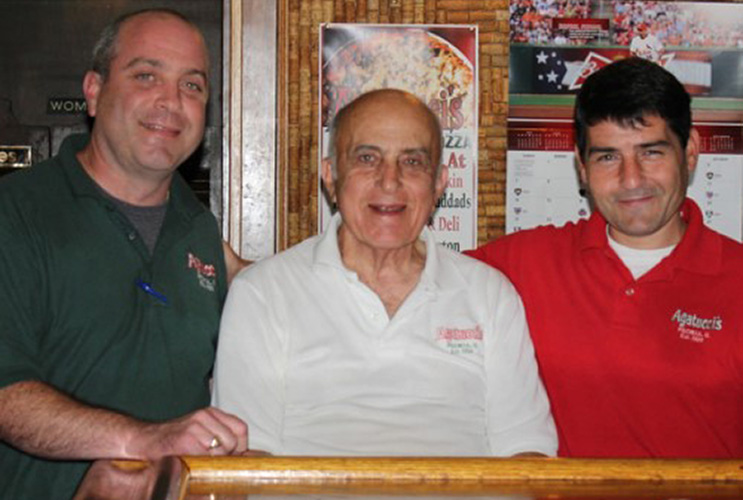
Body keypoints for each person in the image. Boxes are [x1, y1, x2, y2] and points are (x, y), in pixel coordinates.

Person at [212, 89, 557, 457]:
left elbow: (527, 451)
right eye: (366, 158)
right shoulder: (263, 293)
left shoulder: (489, 293)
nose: (390, 181)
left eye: (412, 162)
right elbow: (246, 461)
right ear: (331, 176)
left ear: (439, 182)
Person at [0, 9, 247, 499]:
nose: (171, 102)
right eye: (146, 75)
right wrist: (140, 440)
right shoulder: (17, 212)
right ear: (94, 90)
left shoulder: (200, 233)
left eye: (192, 85)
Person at [468, 57, 743, 457]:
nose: (631, 179)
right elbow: (411, 273)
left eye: (651, 152)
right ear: (582, 167)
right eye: (608, 157)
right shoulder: (524, 263)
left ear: (690, 152)